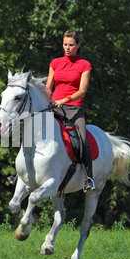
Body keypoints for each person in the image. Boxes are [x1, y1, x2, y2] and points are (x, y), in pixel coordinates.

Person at [45, 30, 95, 192]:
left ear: (78, 45)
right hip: (54, 107)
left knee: (82, 140)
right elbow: (48, 87)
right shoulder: (55, 63)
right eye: (65, 44)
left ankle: (89, 178)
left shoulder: (84, 65)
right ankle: (21, 173)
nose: (67, 48)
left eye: (71, 45)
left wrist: (64, 100)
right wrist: (48, 102)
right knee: (34, 131)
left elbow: (82, 91)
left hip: (74, 108)